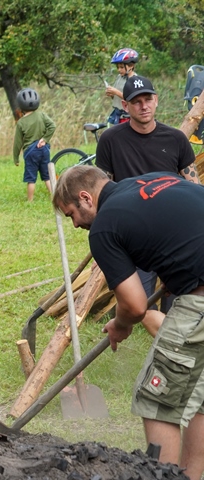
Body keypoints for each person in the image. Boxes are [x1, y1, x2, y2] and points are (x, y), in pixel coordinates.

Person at [53, 165, 204, 480]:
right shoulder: (154, 180)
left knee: (157, 398)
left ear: (85, 197)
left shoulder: (104, 228)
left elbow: (134, 305)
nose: (76, 224)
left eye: (71, 215)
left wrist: (120, 326)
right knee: (197, 399)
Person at [96, 75, 199, 323]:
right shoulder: (111, 140)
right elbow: (101, 190)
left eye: (148, 99)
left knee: (180, 302)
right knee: (137, 296)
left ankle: (171, 324)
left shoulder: (175, 139)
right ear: (125, 106)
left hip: (175, 232)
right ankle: (146, 320)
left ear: (156, 100)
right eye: (137, 101)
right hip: (134, 233)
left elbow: (194, 184)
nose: (144, 106)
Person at [12, 87, 56, 202]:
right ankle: (54, 197)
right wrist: (45, 139)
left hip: (30, 152)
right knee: (46, 176)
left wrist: (16, 157)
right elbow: (52, 126)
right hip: (44, 149)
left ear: (20, 105)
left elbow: (18, 142)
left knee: (31, 178)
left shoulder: (21, 122)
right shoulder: (41, 115)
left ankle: (30, 201)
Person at [105, 48, 138, 125]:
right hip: (117, 113)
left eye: (122, 67)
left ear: (131, 66)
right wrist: (112, 94)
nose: (119, 70)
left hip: (126, 116)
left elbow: (132, 99)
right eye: (118, 67)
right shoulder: (119, 77)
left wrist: (116, 92)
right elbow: (117, 96)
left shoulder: (134, 80)